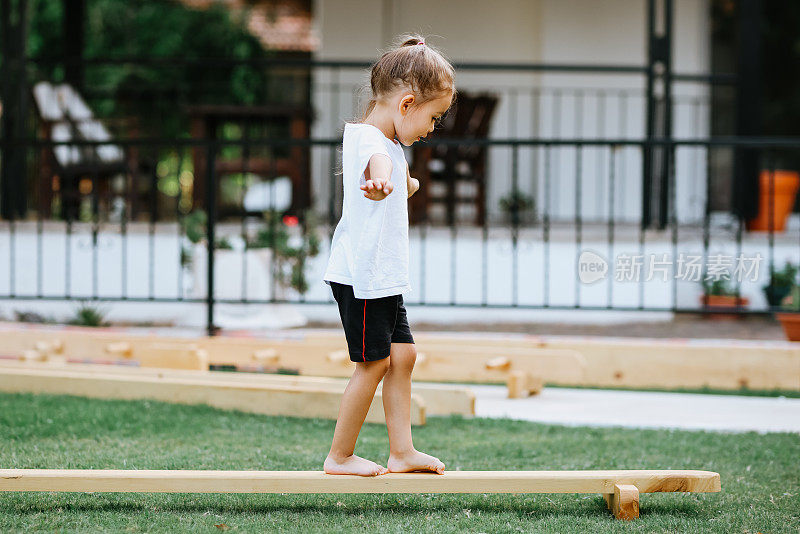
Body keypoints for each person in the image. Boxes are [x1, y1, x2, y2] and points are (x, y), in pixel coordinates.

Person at [322, 34, 456, 477]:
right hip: (362, 277)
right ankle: (339, 456)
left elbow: (393, 175)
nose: (432, 128)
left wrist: (404, 185)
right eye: (433, 117)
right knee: (374, 362)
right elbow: (377, 169)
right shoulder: (370, 142)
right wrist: (383, 184)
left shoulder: (390, 145)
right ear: (407, 103)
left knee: (403, 357)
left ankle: (402, 452)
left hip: (382, 277)